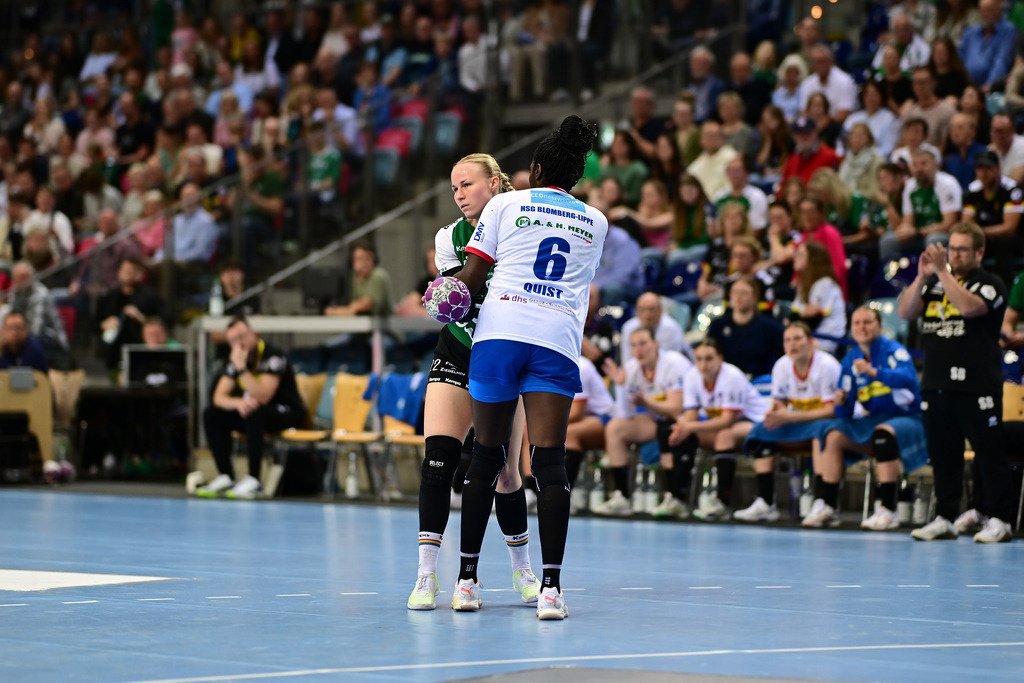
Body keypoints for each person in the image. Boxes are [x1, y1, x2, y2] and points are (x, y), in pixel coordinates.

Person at [450, 115, 607, 620]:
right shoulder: (596, 221)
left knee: (486, 456)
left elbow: (473, 276)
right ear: (576, 176)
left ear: (536, 169)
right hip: (555, 340)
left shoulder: (504, 203)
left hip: (500, 333)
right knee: (550, 463)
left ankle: (466, 582)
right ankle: (552, 591)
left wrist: (443, 295)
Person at [407, 153, 540, 612]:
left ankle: (523, 570)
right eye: (454, 188)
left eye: (467, 184)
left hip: (502, 357)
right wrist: (441, 298)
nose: (459, 194)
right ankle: (426, 576)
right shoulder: (450, 238)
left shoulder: (522, 227)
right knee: (437, 462)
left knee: (506, 471)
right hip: (459, 348)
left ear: (495, 183)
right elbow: (458, 299)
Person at [898, 222, 1016, 543]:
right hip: (936, 382)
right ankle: (945, 516)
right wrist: (922, 278)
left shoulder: (990, 284)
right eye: (952, 249)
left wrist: (942, 272)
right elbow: (905, 311)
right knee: (943, 456)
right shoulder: (935, 283)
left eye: (963, 249)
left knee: (989, 455)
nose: (955, 255)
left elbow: (968, 308)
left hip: (976, 385)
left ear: (980, 252)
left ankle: (1000, 518)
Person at [802, 306, 927, 529]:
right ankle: (828, 506)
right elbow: (846, 413)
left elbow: (909, 378)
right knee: (832, 434)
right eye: (857, 323)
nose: (862, 327)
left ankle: (887, 510)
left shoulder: (894, 351)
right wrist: (841, 402)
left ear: (879, 326)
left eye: (867, 322)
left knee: (883, 435)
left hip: (909, 419)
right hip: (874, 419)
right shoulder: (850, 360)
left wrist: (874, 373)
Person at [736, 322, 840, 522]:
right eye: (788, 340)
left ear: (811, 342)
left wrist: (789, 416)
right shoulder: (781, 366)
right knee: (762, 430)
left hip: (826, 421)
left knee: (822, 432)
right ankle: (766, 503)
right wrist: (773, 414)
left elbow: (831, 411)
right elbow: (780, 404)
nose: (793, 344)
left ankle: (823, 502)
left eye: (798, 339)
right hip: (799, 421)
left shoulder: (827, 365)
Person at [198, 315, 307, 500]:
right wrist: (238, 403)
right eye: (233, 340)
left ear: (254, 334)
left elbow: (263, 396)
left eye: (242, 336)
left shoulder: (273, 355)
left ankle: (254, 479)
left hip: (287, 412)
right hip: (255, 414)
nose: (239, 343)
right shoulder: (236, 358)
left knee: (254, 411)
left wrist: (241, 368)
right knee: (212, 415)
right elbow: (218, 397)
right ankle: (226, 476)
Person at [595, 326, 693, 518]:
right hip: (655, 419)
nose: (639, 350)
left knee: (668, 429)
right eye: (634, 345)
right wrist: (621, 385)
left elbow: (675, 409)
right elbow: (625, 414)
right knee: (615, 428)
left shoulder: (673, 364)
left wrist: (647, 403)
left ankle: (675, 498)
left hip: (687, 419)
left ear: (655, 345)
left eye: (643, 344)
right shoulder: (631, 368)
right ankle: (622, 497)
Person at [668, 338, 768, 521]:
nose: (703, 364)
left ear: (720, 358)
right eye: (699, 359)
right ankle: (677, 500)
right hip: (723, 424)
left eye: (709, 358)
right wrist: (681, 426)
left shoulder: (732, 376)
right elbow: (691, 415)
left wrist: (689, 426)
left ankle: (723, 503)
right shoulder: (692, 376)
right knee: (683, 435)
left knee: (724, 436)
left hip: (756, 423)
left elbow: (727, 420)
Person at [962, 150, 1024, 288]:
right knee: (966, 242)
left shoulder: (1011, 190)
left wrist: (979, 232)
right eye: (980, 168)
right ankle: (969, 284)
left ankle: (1003, 288)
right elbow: (967, 224)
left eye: (988, 168)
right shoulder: (973, 191)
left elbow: (1009, 228)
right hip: (985, 236)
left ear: (997, 168)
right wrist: (977, 234)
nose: (983, 173)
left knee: (1003, 243)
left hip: (1013, 239)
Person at [706, 276, 785, 377]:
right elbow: (708, 352)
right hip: (726, 379)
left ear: (755, 297)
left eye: (744, 293)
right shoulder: (718, 325)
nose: (739, 297)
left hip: (758, 380)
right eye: (735, 292)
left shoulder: (768, 326)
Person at [790, 240, 847, 355]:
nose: (795, 257)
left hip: (825, 341)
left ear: (813, 260)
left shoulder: (825, 283)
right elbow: (796, 314)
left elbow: (811, 319)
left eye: (800, 255)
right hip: (809, 337)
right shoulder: (803, 285)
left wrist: (793, 320)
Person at [619, 292, 692, 365]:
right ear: (636, 311)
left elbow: (668, 362)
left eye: (651, 309)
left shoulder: (670, 328)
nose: (647, 315)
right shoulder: (628, 328)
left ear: (660, 311)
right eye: (642, 309)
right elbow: (627, 361)